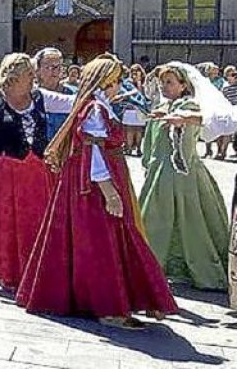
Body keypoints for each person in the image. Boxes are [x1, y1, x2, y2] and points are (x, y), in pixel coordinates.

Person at [16, 55, 177, 329]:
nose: (118, 87)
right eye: (114, 81)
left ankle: (137, 298)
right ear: (104, 83)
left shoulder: (100, 106)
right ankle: (109, 308)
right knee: (102, 242)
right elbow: (93, 152)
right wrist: (109, 192)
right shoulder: (94, 110)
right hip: (91, 188)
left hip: (96, 181)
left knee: (114, 239)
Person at [0, 53, 75, 289]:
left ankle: (35, 268)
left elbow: (70, 103)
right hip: (3, 171)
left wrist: (93, 93)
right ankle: (8, 271)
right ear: (15, 76)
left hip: (35, 171)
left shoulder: (40, 97)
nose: (33, 77)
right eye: (29, 74)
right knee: (7, 222)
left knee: (36, 219)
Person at [136, 63, 230, 291]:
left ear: (183, 85)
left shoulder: (188, 106)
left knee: (187, 221)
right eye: (162, 83)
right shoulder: (166, 106)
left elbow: (203, 118)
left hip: (181, 174)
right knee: (159, 219)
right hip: (162, 172)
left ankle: (199, 270)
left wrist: (180, 117)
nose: (164, 87)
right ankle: (153, 268)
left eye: (170, 82)